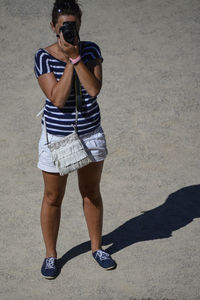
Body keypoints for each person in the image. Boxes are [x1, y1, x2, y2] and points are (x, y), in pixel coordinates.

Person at [34, 0, 116, 279]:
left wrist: (77, 57)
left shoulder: (90, 49)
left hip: (90, 133)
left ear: (80, 25)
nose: (69, 31)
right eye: (63, 27)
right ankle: (50, 255)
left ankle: (97, 248)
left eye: (74, 26)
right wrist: (69, 60)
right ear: (53, 27)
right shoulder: (43, 57)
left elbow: (93, 89)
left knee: (91, 193)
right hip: (57, 136)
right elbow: (56, 99)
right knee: (53, 196)